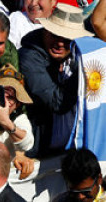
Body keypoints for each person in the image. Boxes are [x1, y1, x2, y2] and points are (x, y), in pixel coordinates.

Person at [19, 4, 89, 159]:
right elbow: (57, 102)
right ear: (45, 30)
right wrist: (83, 70)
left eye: (67, 39)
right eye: (55, 35)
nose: (60, 43)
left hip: (66, 149)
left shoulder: (76, 54)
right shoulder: (29, 57)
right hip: (37, 152)